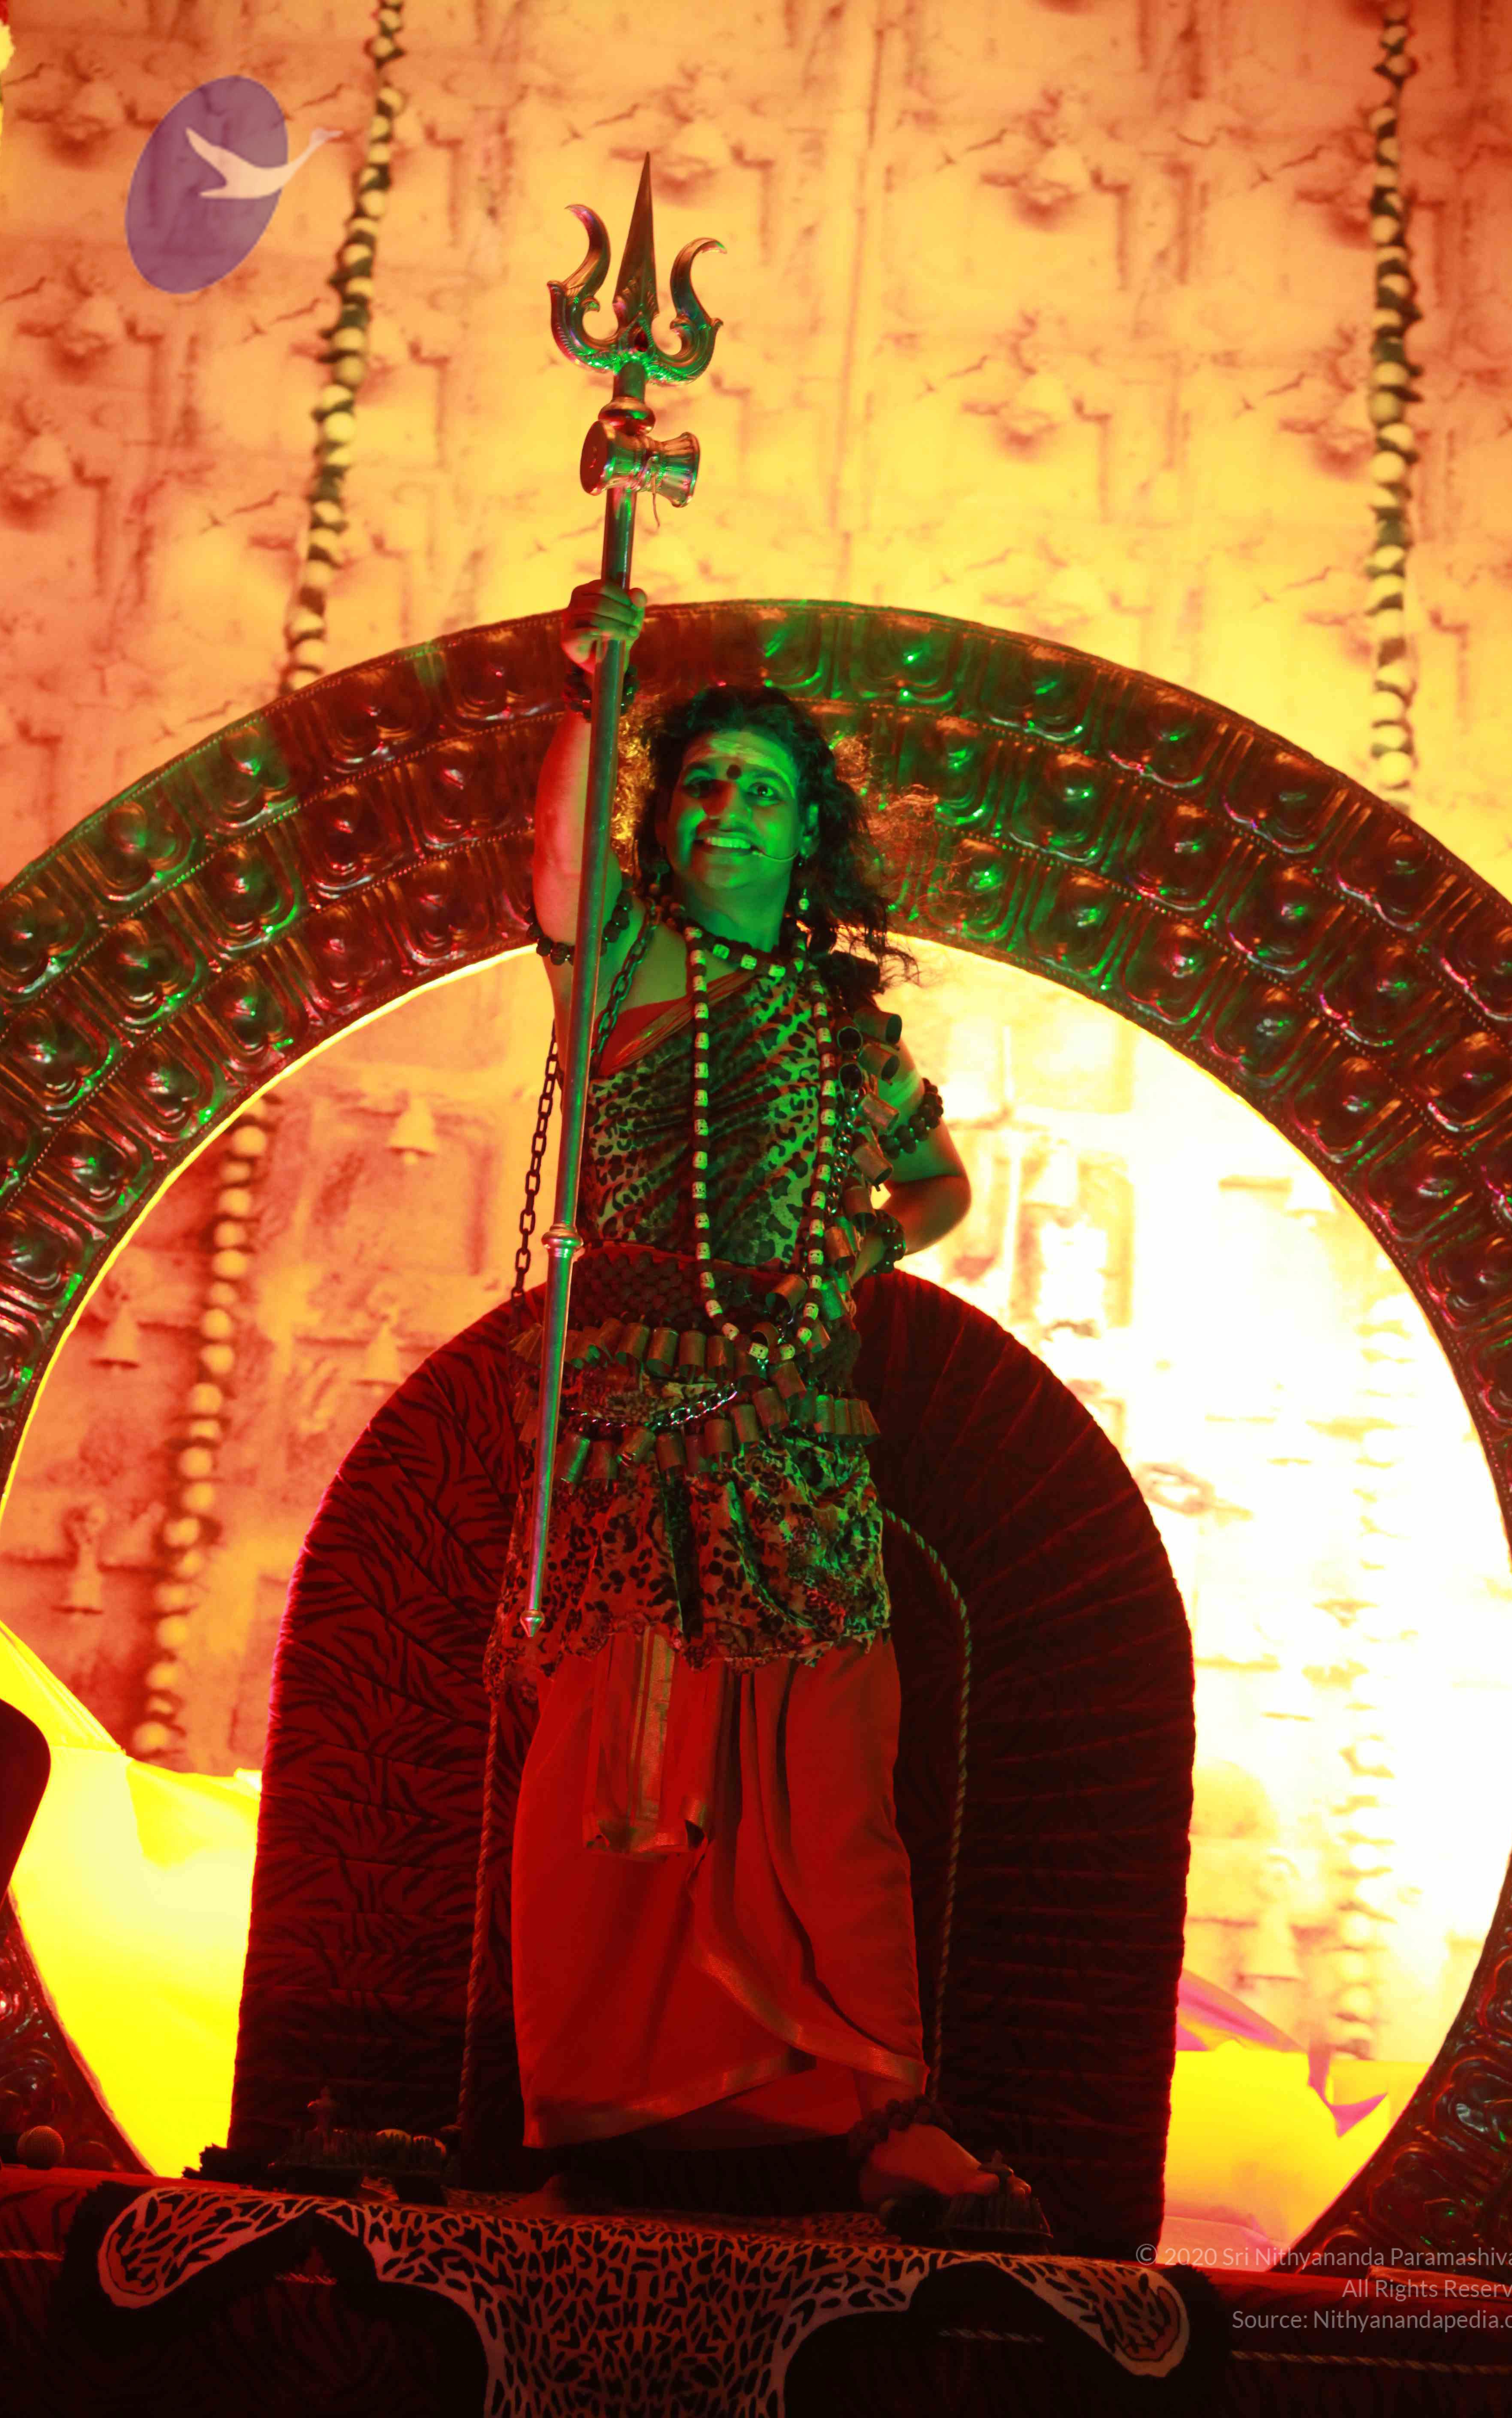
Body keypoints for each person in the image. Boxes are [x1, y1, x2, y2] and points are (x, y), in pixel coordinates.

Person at [493, 578, 1031, 2220]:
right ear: (666, 820)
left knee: (829, 1784)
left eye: (762, 789)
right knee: (623, 1779)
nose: (726, 806)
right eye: (702, 781)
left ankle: (864, 2114)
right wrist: (594, 694)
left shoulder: (846, 1031)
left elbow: (939, 1189)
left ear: (809, 837)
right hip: (631, 1442)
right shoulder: (620, 962)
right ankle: (618, 2115)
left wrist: (861, 1244)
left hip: (795, 1446)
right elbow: (564, 867)